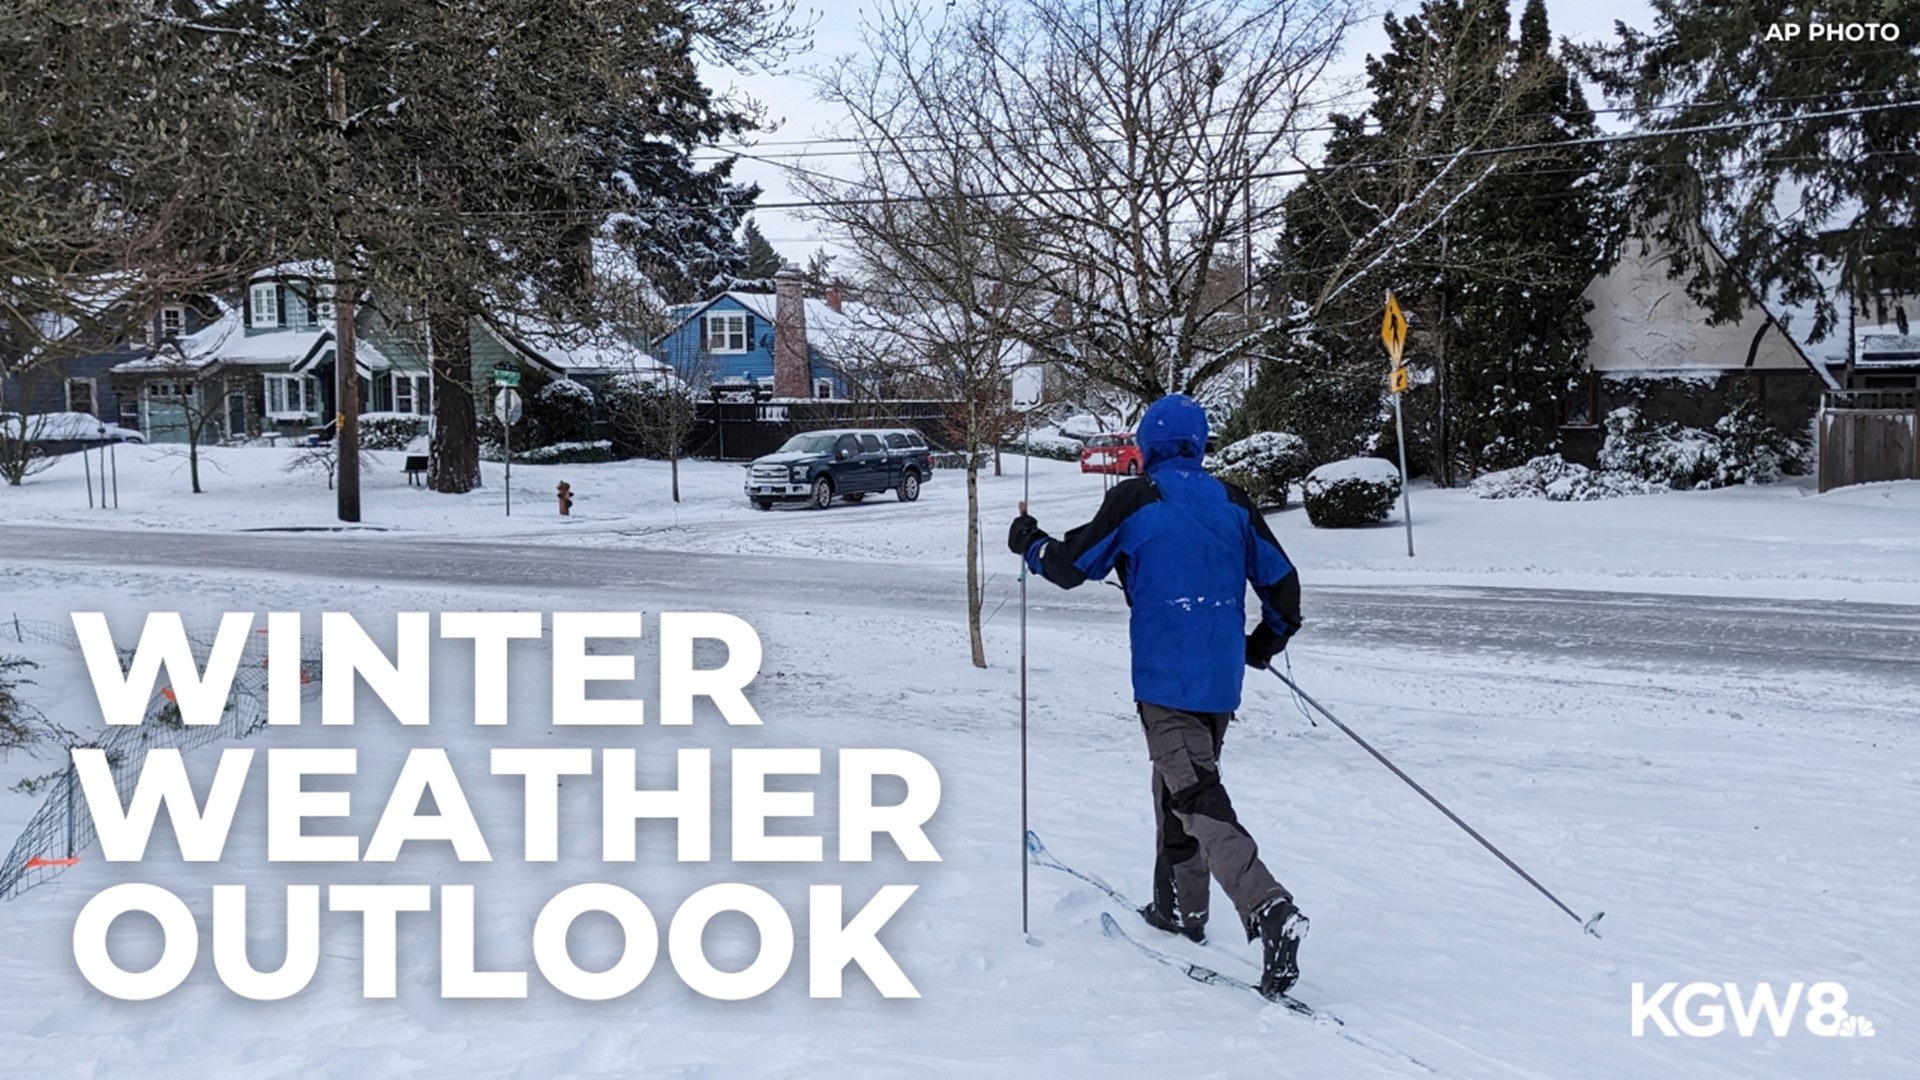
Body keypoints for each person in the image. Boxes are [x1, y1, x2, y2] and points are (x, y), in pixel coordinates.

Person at [1007, 393, 1308, 999]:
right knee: (1177, 787)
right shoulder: (1231, 500)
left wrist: (1031, 544)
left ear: (1145, 447)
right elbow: (1283, 584)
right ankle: (1181, 910)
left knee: (1195, 795)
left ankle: (1268, 906)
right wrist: (1261, 644)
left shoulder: (1137, 497)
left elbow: (1073, 565)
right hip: (1220, 682)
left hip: (1166, 680)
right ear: (1199, 445)